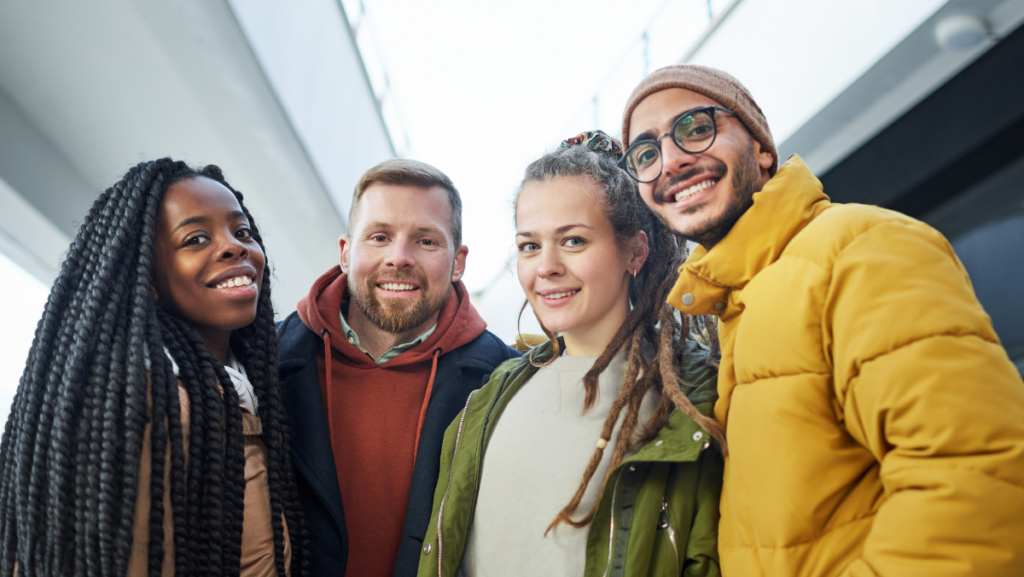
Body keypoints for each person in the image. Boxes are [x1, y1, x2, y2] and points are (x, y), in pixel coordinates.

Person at [620, 64, 1024, 575]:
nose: (672, 162)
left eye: (696, 128)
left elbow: (976, 485)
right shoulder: (735, 308)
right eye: (647, 154)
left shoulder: (859, 246)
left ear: (762, 148)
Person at [416, 132, 724, 577]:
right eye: (529, 245)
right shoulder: (486, 400)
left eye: (574, 241)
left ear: (635, 250)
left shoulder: (695, 398)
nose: (546, 267)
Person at [0, 159, 306, 576]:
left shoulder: (251, 391)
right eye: (196, 239)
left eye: (242, 231)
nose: (235, 246)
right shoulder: (144, 405)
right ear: (147, 280)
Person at [276, 159, 518, 577]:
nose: (399, 258)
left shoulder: (506, 382)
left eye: (425, 241)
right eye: (379, 236)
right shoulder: (266, 358)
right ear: (346, 251)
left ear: (458, 261)